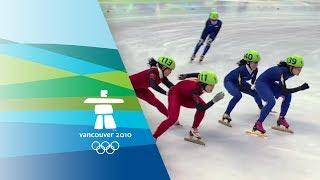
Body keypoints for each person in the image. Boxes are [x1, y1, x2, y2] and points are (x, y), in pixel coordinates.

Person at [153, 71, 224, 140]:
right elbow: (200, 108)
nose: (213, 87)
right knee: (172, 118)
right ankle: (154, 137)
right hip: (175, 95)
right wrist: (213, 101)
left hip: (186, 95)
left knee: (203, 104)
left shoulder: (201, 81)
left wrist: (187, 75)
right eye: (211, 85)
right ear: (204, 84)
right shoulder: (195, 89)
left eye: (214, 85)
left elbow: (198, 74)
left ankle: (193, 129)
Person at [252, 54, 309, 134]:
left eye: (300, 68)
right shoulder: (281, 72)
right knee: (271, 101)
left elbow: (284, 91)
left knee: (288, 96)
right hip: (261, 83)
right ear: (291, 67)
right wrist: (300, 88)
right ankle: (258, 124)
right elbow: (285, 90)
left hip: (270, 83)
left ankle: (281, 119)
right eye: (298, 69)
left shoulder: (291, 72)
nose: (300, 71)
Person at [221, 50, 263, 125]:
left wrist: (255, 86)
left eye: (257, 62)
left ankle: (262, 108)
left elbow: (253, 81)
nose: (256, 65)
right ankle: (226, 114)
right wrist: (251, 88)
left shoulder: (255, 70)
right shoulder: (241, 70)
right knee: (238, 95)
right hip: (229, 81)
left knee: (256, 94)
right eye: (254, 62)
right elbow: (240, 84)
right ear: (248, 62)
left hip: (240, 82)